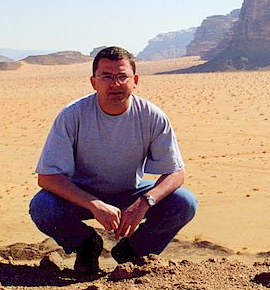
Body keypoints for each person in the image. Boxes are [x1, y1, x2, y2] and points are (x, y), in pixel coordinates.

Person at [29, 46, 197, 273]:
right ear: (93, 82)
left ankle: (134, 251)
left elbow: (176, 173)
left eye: (122, 77)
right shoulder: (72, 115)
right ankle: (86, 245)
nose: (115, 84)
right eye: (106, 77)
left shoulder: (151, 116)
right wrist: (95, 205)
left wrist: (144, 203)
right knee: (42, 207)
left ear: (135, 80)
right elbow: (47, 177)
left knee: (184, 203)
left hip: (131, 192)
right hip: (82, 195)